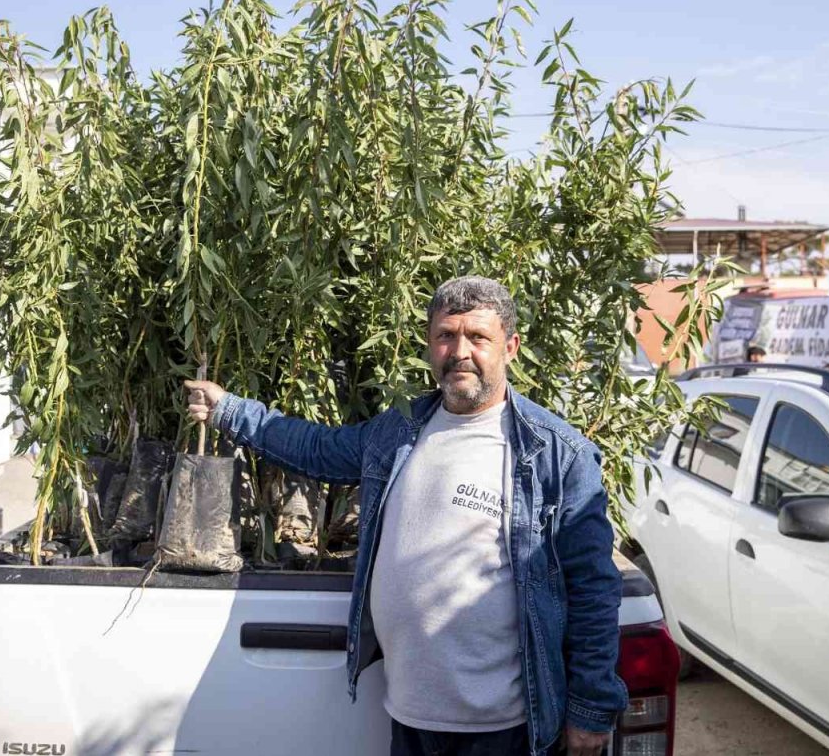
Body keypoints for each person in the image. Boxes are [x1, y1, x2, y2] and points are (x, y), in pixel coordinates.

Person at [186, 276, 626, 756]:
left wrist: (590, 709)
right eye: (446, 335)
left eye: (478, 337)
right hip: (410, 715)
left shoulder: (558, 455)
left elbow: (592, 589)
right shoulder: (400, 429)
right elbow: (319, 449)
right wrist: (228, 410)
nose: (460, 351)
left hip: (505, 728)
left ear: (511, 347)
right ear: (429, 345)